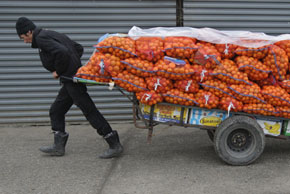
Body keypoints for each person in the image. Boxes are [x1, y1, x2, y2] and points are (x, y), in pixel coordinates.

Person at [15, 17, 123, 159]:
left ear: (29, 32)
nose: (24, 41)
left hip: (71, 79)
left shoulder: (41, 39)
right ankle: (58, 146)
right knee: (56, 110)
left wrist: (59, 71)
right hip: (70, 79)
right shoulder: (50, 34)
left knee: (89, 110)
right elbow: (78, 48)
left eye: (23, 37)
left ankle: (113, 143)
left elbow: (62, 53)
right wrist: (75, 67)